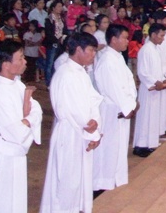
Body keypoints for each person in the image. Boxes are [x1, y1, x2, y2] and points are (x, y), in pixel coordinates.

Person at [0, 40, 42, 213]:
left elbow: (36, 108)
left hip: (14, 157)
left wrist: (27, 120)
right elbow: (17, 133)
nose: (25, 61)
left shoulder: (16, 83)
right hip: (1, 159)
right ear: (6, 65)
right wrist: (28, 120)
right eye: (21, 58)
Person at [40, 32, 103, 213]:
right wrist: (92, 131)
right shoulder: (66, 73)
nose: (94, 54)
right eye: (91, 50)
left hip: (82, 132)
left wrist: (96, 124)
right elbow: (73, 110)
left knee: (78, 177)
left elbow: (93, 100)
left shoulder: (80, 72)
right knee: (67, 178)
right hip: (70, 132)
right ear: (78, 50)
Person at [93, 24, 138, 192]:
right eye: (124, 38)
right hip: (112, 109)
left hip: (122, 107)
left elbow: (129, 81)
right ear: (113, 39)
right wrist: (127, 106)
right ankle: (102, 182)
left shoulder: (117, 57)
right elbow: (113, 88)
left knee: (119, 145)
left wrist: (132, 102)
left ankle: (115, 177)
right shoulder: (106, 61)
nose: (127, 41)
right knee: (109, 147)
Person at [133, 23, 166, 157]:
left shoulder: (155, 49)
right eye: (161, 35)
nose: (163, 38)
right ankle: (140, 146)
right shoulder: (146, 50)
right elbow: (143, 72)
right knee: (145, 117)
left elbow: (157, 70)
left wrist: (164, 79)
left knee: (153, 117)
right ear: (153, 35)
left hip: (156, 88)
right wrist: (155, 82)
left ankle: (149, 143)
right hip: (148, 89)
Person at [43, 0, 66, 87]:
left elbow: (64, 30)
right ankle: (49, 83)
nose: (60, 8)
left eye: (61, 6)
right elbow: (48, 33)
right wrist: (56, 39)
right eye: (59, 6)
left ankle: (56, 81)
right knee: (50, 63)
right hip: (53, 43)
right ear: (53, 8)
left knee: (57, 62)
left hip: (61, 43)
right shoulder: (49, 19)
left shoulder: (61, 18)